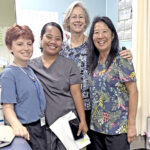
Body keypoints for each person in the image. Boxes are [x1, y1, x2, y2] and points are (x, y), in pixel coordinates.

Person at [60, 1, 133, 149]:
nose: (77, 20)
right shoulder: (62, 49)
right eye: (74, 17)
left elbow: (112, 57)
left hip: (92, 110)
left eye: (81, 16)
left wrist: (127, 53)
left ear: (86, 21)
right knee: (74, 147)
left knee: (92, 146)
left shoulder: (94, 45)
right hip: (70, 109)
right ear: (68, 20)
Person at [29, 22, 88, 150]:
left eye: (58, 39)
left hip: (70, 122)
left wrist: (82, 121)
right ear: (41, 38)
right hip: (45, 125)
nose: (53, 42)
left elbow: (77, 94)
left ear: (62, 42)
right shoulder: (30, 66)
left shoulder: (70, 65)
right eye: (49, 37)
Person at [87, 16, 138, 150]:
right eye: (96, 32)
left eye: (104, 31)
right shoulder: (93, 61)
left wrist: (131, 125)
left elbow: (133, 92)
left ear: (113, 35)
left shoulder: (122, 59)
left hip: (117, 129)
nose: (100, 36)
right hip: (96, 128)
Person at [1, 25, 46, 150]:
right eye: (20, 44)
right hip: (26, 130)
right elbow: (7, 107)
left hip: (39, 127)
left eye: (29, 44)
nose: (26, 48)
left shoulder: (29, 69)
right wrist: (17, 126)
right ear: (10, 47)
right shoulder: (9, 74)